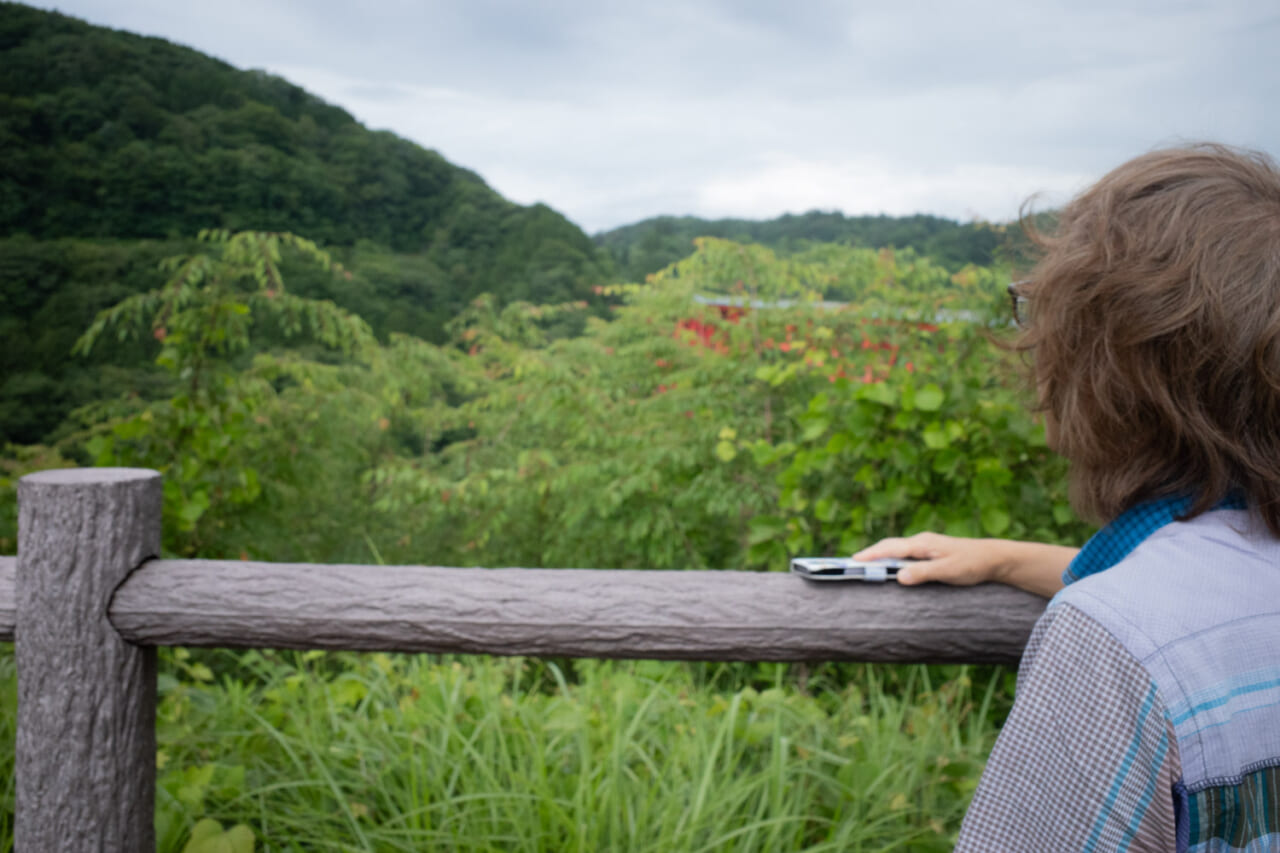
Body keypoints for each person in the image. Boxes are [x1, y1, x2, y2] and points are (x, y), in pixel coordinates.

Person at [856, 143, 1280, 852]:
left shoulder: (1112, 645)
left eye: (1045, 314)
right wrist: (1005, 559)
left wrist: (1096, 605)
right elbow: (1214, 593)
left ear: (1110, 371)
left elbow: (1149, 628)